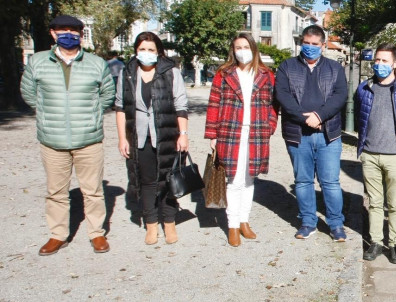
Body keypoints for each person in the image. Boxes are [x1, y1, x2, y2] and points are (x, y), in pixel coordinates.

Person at [20, 15, 115, 256]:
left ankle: (96, 233)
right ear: (53, 33)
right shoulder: (38, 62)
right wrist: (47, 114)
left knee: (93, 190)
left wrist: (92, 116)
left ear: (81, 34)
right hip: (52, 140)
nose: (68, 34)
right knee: (56, 191)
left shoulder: (96, 63)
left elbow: (107, 95)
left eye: (74, 30)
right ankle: (58, 234)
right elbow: (29, 93)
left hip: (88, 139)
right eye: (63, 30)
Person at [114, 31, 189, 245]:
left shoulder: (170, 72)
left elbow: (181, 106)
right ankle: (151, 223)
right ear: (136, 51)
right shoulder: (127, 73)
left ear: (158, 52)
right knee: (145, 181)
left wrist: (183, 134)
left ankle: (169, 221)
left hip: (167, 134)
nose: (146, 53)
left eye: (150, 50)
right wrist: (122, 138)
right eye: (142, 49)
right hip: (138, 136)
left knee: (168, 178)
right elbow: (120, 107)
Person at [275, 25, 349, 241]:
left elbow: (340, 96)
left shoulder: (335, 68)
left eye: (314, 44)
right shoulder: (286, 67)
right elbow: (283, 96)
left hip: (328, 134)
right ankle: (308, 222)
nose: (309, 47)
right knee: (303, 181)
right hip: (297, 134)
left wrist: (319, 115)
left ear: (323, 46)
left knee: (331, 182)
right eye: (306, 43)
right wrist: (304, 118)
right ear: (301, 42)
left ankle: (336, 224)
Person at [204, 33, 278, 247]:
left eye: (246, 46)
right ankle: (233, 225)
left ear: (253, 49)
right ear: (233, 50)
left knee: (249, 179)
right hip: (230, 132)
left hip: (256, 133)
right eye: (238, 47)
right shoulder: (224, 74)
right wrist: (213, 134)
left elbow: (274, 105)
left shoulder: (266, 74)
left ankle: (244, 221)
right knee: (233, 179)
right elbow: (213, 103)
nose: (242, 51)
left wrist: (270, 125)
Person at [355, 43, 396, 264]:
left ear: (395, 63)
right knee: (374, 202)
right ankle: (376, 242)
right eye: (377, 60)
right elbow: (360, 118)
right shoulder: (364, 88)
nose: (379, 64)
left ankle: (395, 244)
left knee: (395, 204)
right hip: (370, 154)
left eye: (384, 61)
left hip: (394, 155)